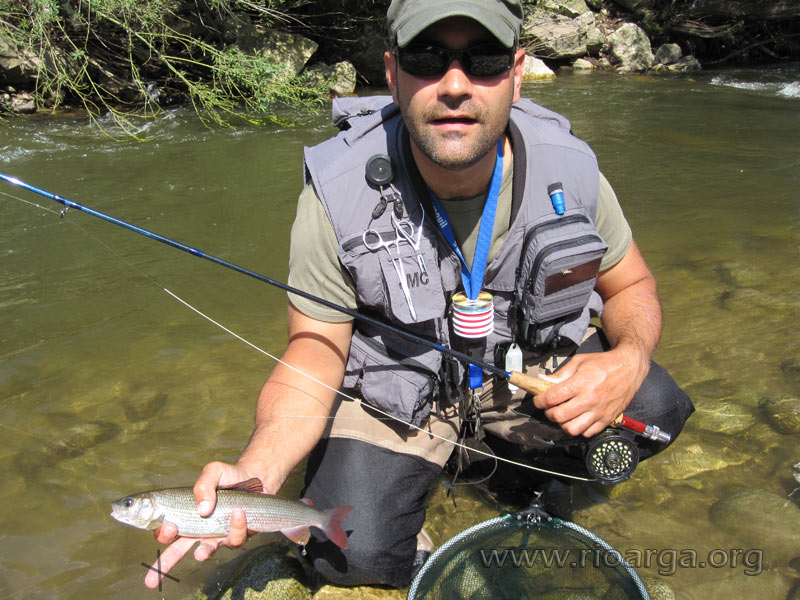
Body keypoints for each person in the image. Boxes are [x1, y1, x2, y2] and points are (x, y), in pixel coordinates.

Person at [146, 0, 693, 589]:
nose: (454, 85)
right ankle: (421, 497)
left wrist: (628, 357)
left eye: (482, 59)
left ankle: (512, 478)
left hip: (517, 378)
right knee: (349, 558)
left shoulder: (571, 168)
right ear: (391, 72)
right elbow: (313, 352)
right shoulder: (337, 191)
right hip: (400, 397)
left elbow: (631, 284)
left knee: (651, 406)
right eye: (427, 59)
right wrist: (255, 476)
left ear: (516, 71)